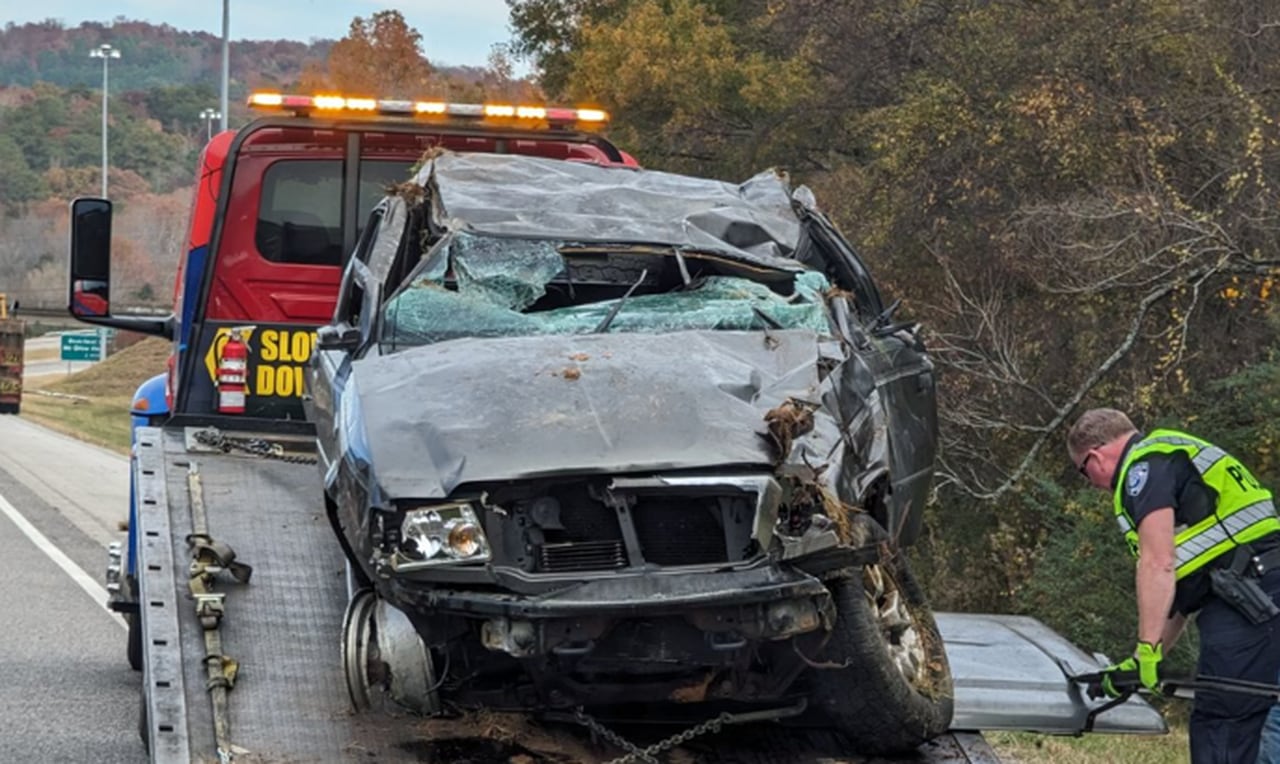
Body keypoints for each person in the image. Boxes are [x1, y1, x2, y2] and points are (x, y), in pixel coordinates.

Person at [1067, 408, 1280, 764]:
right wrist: (1141, 661)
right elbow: (1183, 594)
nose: (1091, 482)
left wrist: (1148, 650)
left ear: (1095, 457)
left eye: (1083, 472)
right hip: (1263, 589)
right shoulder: (1178, 456)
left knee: (1223, 722)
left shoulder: (1144, 466)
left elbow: (1157, 563)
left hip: (1252, 604)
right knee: (1267, 712)